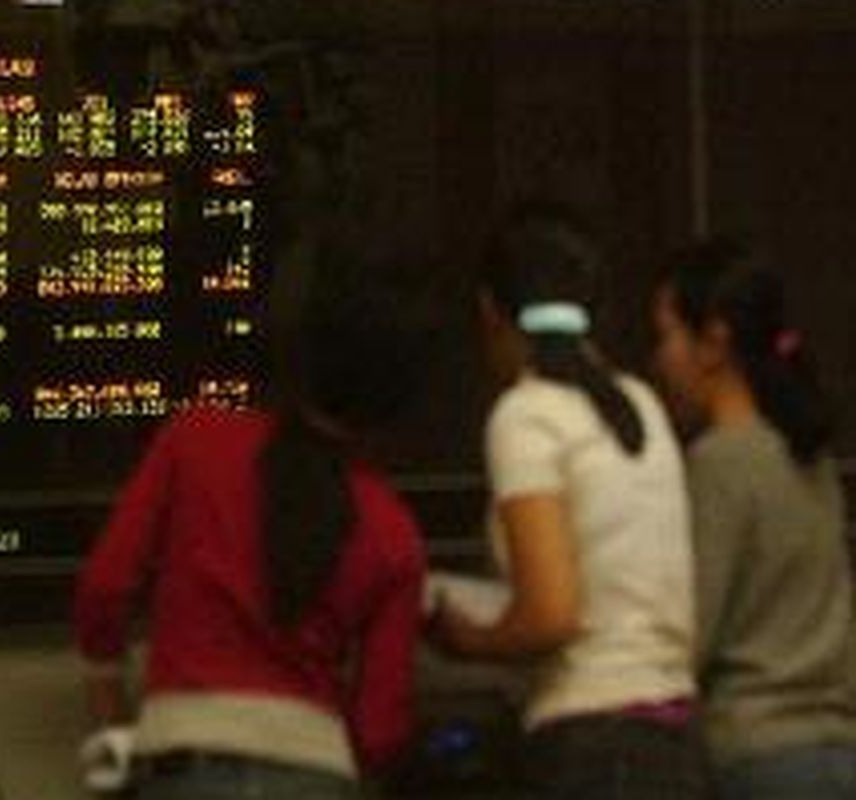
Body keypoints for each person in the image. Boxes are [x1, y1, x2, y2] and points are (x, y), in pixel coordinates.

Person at [73, 237, 432, 799]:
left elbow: (104, 588)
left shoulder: (195, 443)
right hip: (318, 776)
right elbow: (380, 728)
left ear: (293, 349)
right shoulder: (395, 534)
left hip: (186, 765)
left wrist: (110, 706)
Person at [428, 206, 706, 798]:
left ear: (489, 312)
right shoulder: (641, 405)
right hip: (675, 737)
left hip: (591, 738)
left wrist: (469, 638)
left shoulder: (526, 416)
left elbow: (551, 615)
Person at [652, 238, 856, 799]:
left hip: (758, 753)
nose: (658, 358)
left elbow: (694, 631)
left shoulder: (720, 460)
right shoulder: (808, 453)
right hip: (839, 748)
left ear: (714, 342)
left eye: (667, 335)